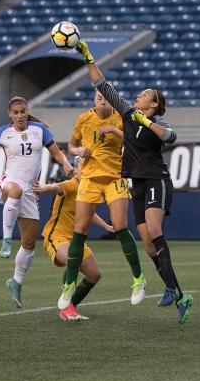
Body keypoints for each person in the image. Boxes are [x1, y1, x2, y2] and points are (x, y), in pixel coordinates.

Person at [73, 39, 194, 325]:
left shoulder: (157, 123)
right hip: (136, 185)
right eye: (139, 94)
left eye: (145, 95)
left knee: (153, 230)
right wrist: (88, 56)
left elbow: (170, 137)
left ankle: (175, 290)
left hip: (156, 180)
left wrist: (144, 120)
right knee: (149, 246)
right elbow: (103, 85)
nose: (138, 96)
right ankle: (175, 292)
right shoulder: (127, 113)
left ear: (154, 104)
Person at [0, 96, 73, 308]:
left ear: (27, 111)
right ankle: (6, 239)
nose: (19, 115)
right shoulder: (3, 132)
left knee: (28, 244)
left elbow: (56, 153)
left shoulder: (39, 130)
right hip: (8, 184)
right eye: (15, 112)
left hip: (31, 192)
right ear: (10, 114)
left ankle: (16, 282)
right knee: (15, 190)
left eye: (22, 111)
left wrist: (65, 164)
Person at [57, 90, 147, 313]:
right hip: (89, 179)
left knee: (119, 226)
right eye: (99, 98)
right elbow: (71, 145)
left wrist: (113, 130)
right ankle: (68, 284)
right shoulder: (84, 118)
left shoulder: (121, 116)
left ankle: (138, 279)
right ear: (94, 100)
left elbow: (134, 141)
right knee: (80, 229)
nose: (103, 102)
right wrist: (79, 151)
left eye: (106, 98)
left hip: (114, 177)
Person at [34, 157, 113, 320]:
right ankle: (65, 304)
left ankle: (70, 307)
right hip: (57, 236)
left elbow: (88, 213)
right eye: (83, 165)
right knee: (73, 259)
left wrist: (106, 227)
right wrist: (43, 188)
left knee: (94, 274)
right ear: (75, 170)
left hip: (76, 239)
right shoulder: (72, 184)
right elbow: (57, 187)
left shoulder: (89, 189)